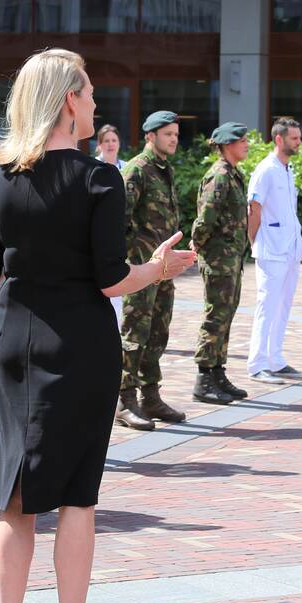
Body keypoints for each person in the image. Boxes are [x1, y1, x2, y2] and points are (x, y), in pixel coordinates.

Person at [0, 48, 195, 603]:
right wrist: (159, 269)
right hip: (81, 343)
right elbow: (110, 279)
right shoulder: (100, 179)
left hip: (14, 338)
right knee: (77, 495)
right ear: (69, 99)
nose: (96, 102)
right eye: (90, 92)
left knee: (15, 495)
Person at [115, 110, 189, 431]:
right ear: (150, 136)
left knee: (158, 332)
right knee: (135, 333)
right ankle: (124, 400)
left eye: (176, 134)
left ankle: (150, 396)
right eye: (167, 134)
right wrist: (125, 264)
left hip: (162, 268)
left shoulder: (164, 170)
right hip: (140, 267)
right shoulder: (137, 170)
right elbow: (118, 220)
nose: (174, 139)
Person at [191, 122, 250, 405]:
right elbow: (205, 219)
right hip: (218, 260)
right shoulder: (220, 176)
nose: (247, 144)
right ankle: (204, 380)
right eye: (242, 140)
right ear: (228, 145)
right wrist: (199, 244)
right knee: (215, 316)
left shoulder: (233, 174)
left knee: (225, 315)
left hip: (231, 259)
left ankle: (217, 372)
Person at [247, 117, 302, 385]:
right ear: (279, 139)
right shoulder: (266, 170)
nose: (299, 142)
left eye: (299, 137)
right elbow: (254, 209)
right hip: (271, 250)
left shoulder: (287, 168)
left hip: (290, 249)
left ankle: (276, 360)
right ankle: (257, 364)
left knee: (283, 306)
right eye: (294, 138)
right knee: (267, 306)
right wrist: (254, 241)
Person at [94, 124, 126, 325]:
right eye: (106, 141)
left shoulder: (127, 167)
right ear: (99, 144)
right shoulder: (92, 168)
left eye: (114, 140)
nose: (110, 144)